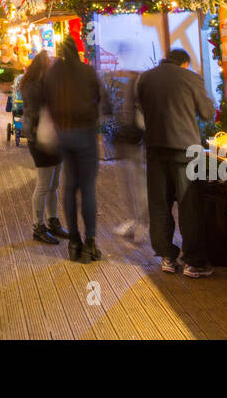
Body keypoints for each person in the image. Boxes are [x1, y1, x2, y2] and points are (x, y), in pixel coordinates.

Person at [135, 47, 217, 278]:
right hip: (185, 151)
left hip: (155, 149)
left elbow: (141, 107)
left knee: (159, 204)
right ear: (184, 63)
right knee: (189, 205)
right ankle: (194, 263)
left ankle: (167, 257)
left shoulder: (146, 78)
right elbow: (208, 112)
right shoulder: (191, 78)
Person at [33, 36, 109, 263]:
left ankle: (74, 242)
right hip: (85, 135)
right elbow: (103, 101)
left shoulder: (53, 75)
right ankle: (91, 242)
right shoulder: (87, 72)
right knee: (87, 189)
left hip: (64, 135)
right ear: (78, 50)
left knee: (69, 187)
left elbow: (43, 100)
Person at [20, 51, 69, 245]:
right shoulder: (33, 87)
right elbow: (36, 112)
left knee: (54, 184)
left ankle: (52, 221)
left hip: (55, 138)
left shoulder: (46, 85)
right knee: (43, 185)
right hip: (41, 140)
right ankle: (38, 226)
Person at [111, 66, 148, 244]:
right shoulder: (134, 81)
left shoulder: (138, 81)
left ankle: (141, 223)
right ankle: (136, 221)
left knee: (139, 182)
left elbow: (136, 112)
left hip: (136, 141)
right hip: (133, 140)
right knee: (133, 181)